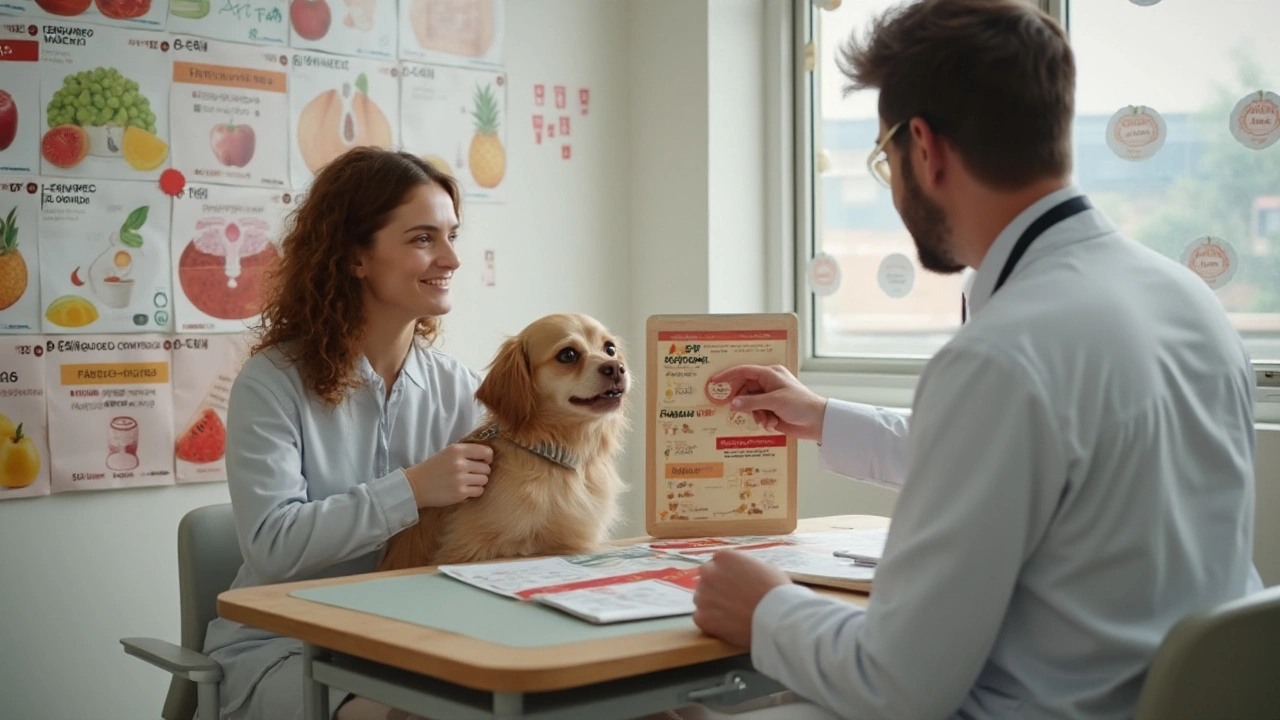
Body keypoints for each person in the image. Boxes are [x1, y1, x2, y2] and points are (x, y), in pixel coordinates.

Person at [686, 1, 1263, 719]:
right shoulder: (1190, 303)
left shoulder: (1002, 355)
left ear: (923, 148)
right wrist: (823, 417)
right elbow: (1038, 467)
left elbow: (894, 685)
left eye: (883, 158)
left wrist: (766, 607)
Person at [203, 148, 493, 720]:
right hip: (287, 649)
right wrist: (412, 489)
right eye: (422, 238)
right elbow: (273, 547)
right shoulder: (272, 383)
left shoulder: (463, 390)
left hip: (416, 643)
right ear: (356, 256)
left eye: (452, 234)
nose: (452, 258)